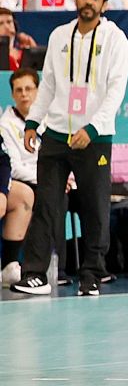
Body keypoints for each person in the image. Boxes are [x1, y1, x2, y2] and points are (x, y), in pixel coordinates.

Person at [10, 0, 128, 299]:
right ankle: (35, 274)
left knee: (95, 206)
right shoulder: (59, 36)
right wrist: (34, 121)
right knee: (46, 204)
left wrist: (92, 129)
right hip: (56, 135)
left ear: (104, 5)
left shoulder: (116, 40)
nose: (88, 2)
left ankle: (92, 274)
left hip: (95, 138)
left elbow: (116, 92)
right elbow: (47, 84)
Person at [0, 67, 39, 287]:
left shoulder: (48, 120)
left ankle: (9, 265)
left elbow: (3, 161)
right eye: (19, 90)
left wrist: (2, 191)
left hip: (14, 183)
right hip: (28, 176)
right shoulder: (6, 124)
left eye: (29, 89)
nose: (24, 94)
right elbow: (15, 165)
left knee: (26, 195)